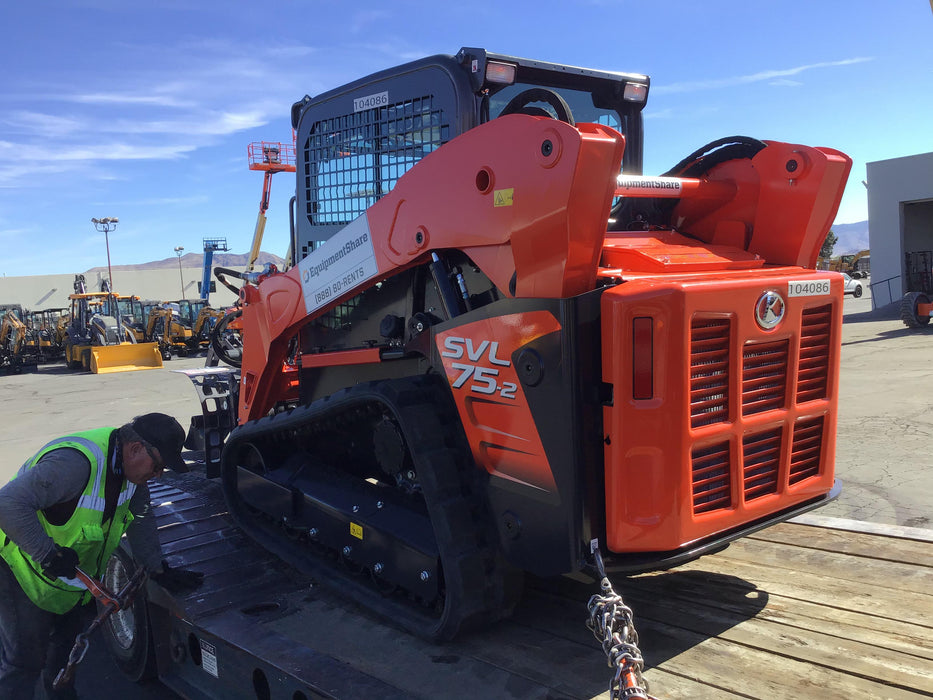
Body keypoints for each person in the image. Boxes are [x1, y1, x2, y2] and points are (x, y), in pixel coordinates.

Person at [0, 412, 204, 699]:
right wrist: (48, 554)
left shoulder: (132, 475)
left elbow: (141, 517)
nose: (158, 475)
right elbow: (7, 503)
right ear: (135, 449)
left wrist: (157, 568)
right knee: (24, 663)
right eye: (157, 466)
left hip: (66, 582)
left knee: (64, 655)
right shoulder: (75, 465)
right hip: (21, 571)